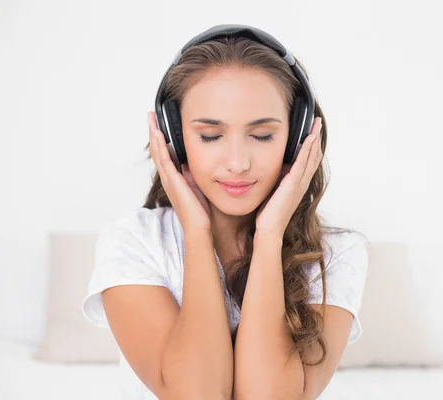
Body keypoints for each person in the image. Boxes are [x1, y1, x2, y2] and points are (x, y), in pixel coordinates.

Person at [82, 24, 370, 400]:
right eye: (211, 136)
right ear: (175, 139)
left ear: (298, 139)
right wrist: (197, 234)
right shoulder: (132, 243)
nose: (237, 163)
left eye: (263, 135)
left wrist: (269, 237)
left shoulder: (337, 255)